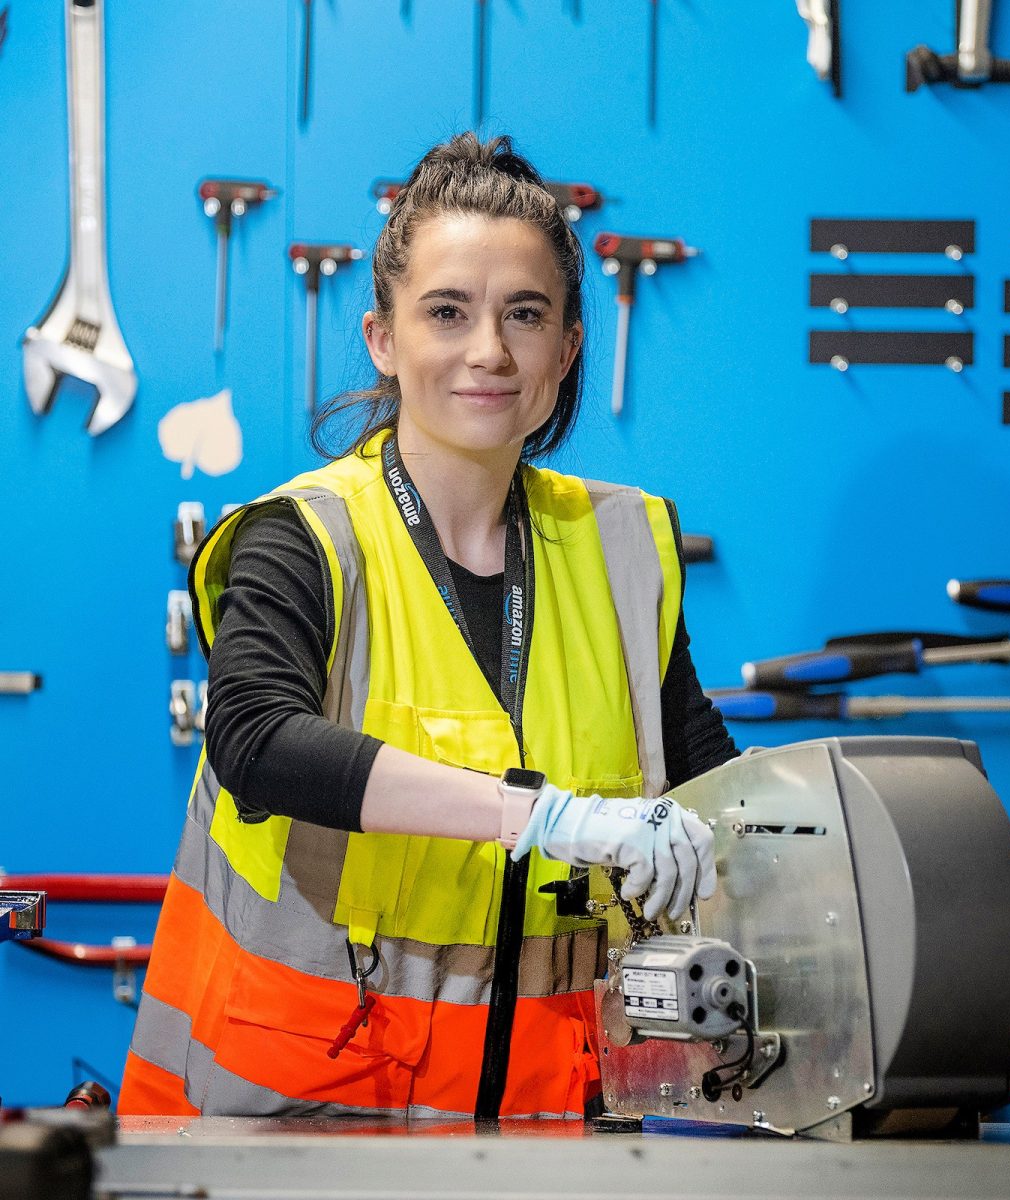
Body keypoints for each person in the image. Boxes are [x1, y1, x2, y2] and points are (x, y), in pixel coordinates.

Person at [119, 133, 737, 1121]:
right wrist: (550, 819)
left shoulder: (623, 552)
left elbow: (716, 794)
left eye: (524, 315)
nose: (488, 350)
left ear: (569, 345)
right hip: (290, 1139)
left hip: (539, 1146)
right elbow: (254, 739)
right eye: (447, 312)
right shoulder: (305, 538)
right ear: (382, 337)